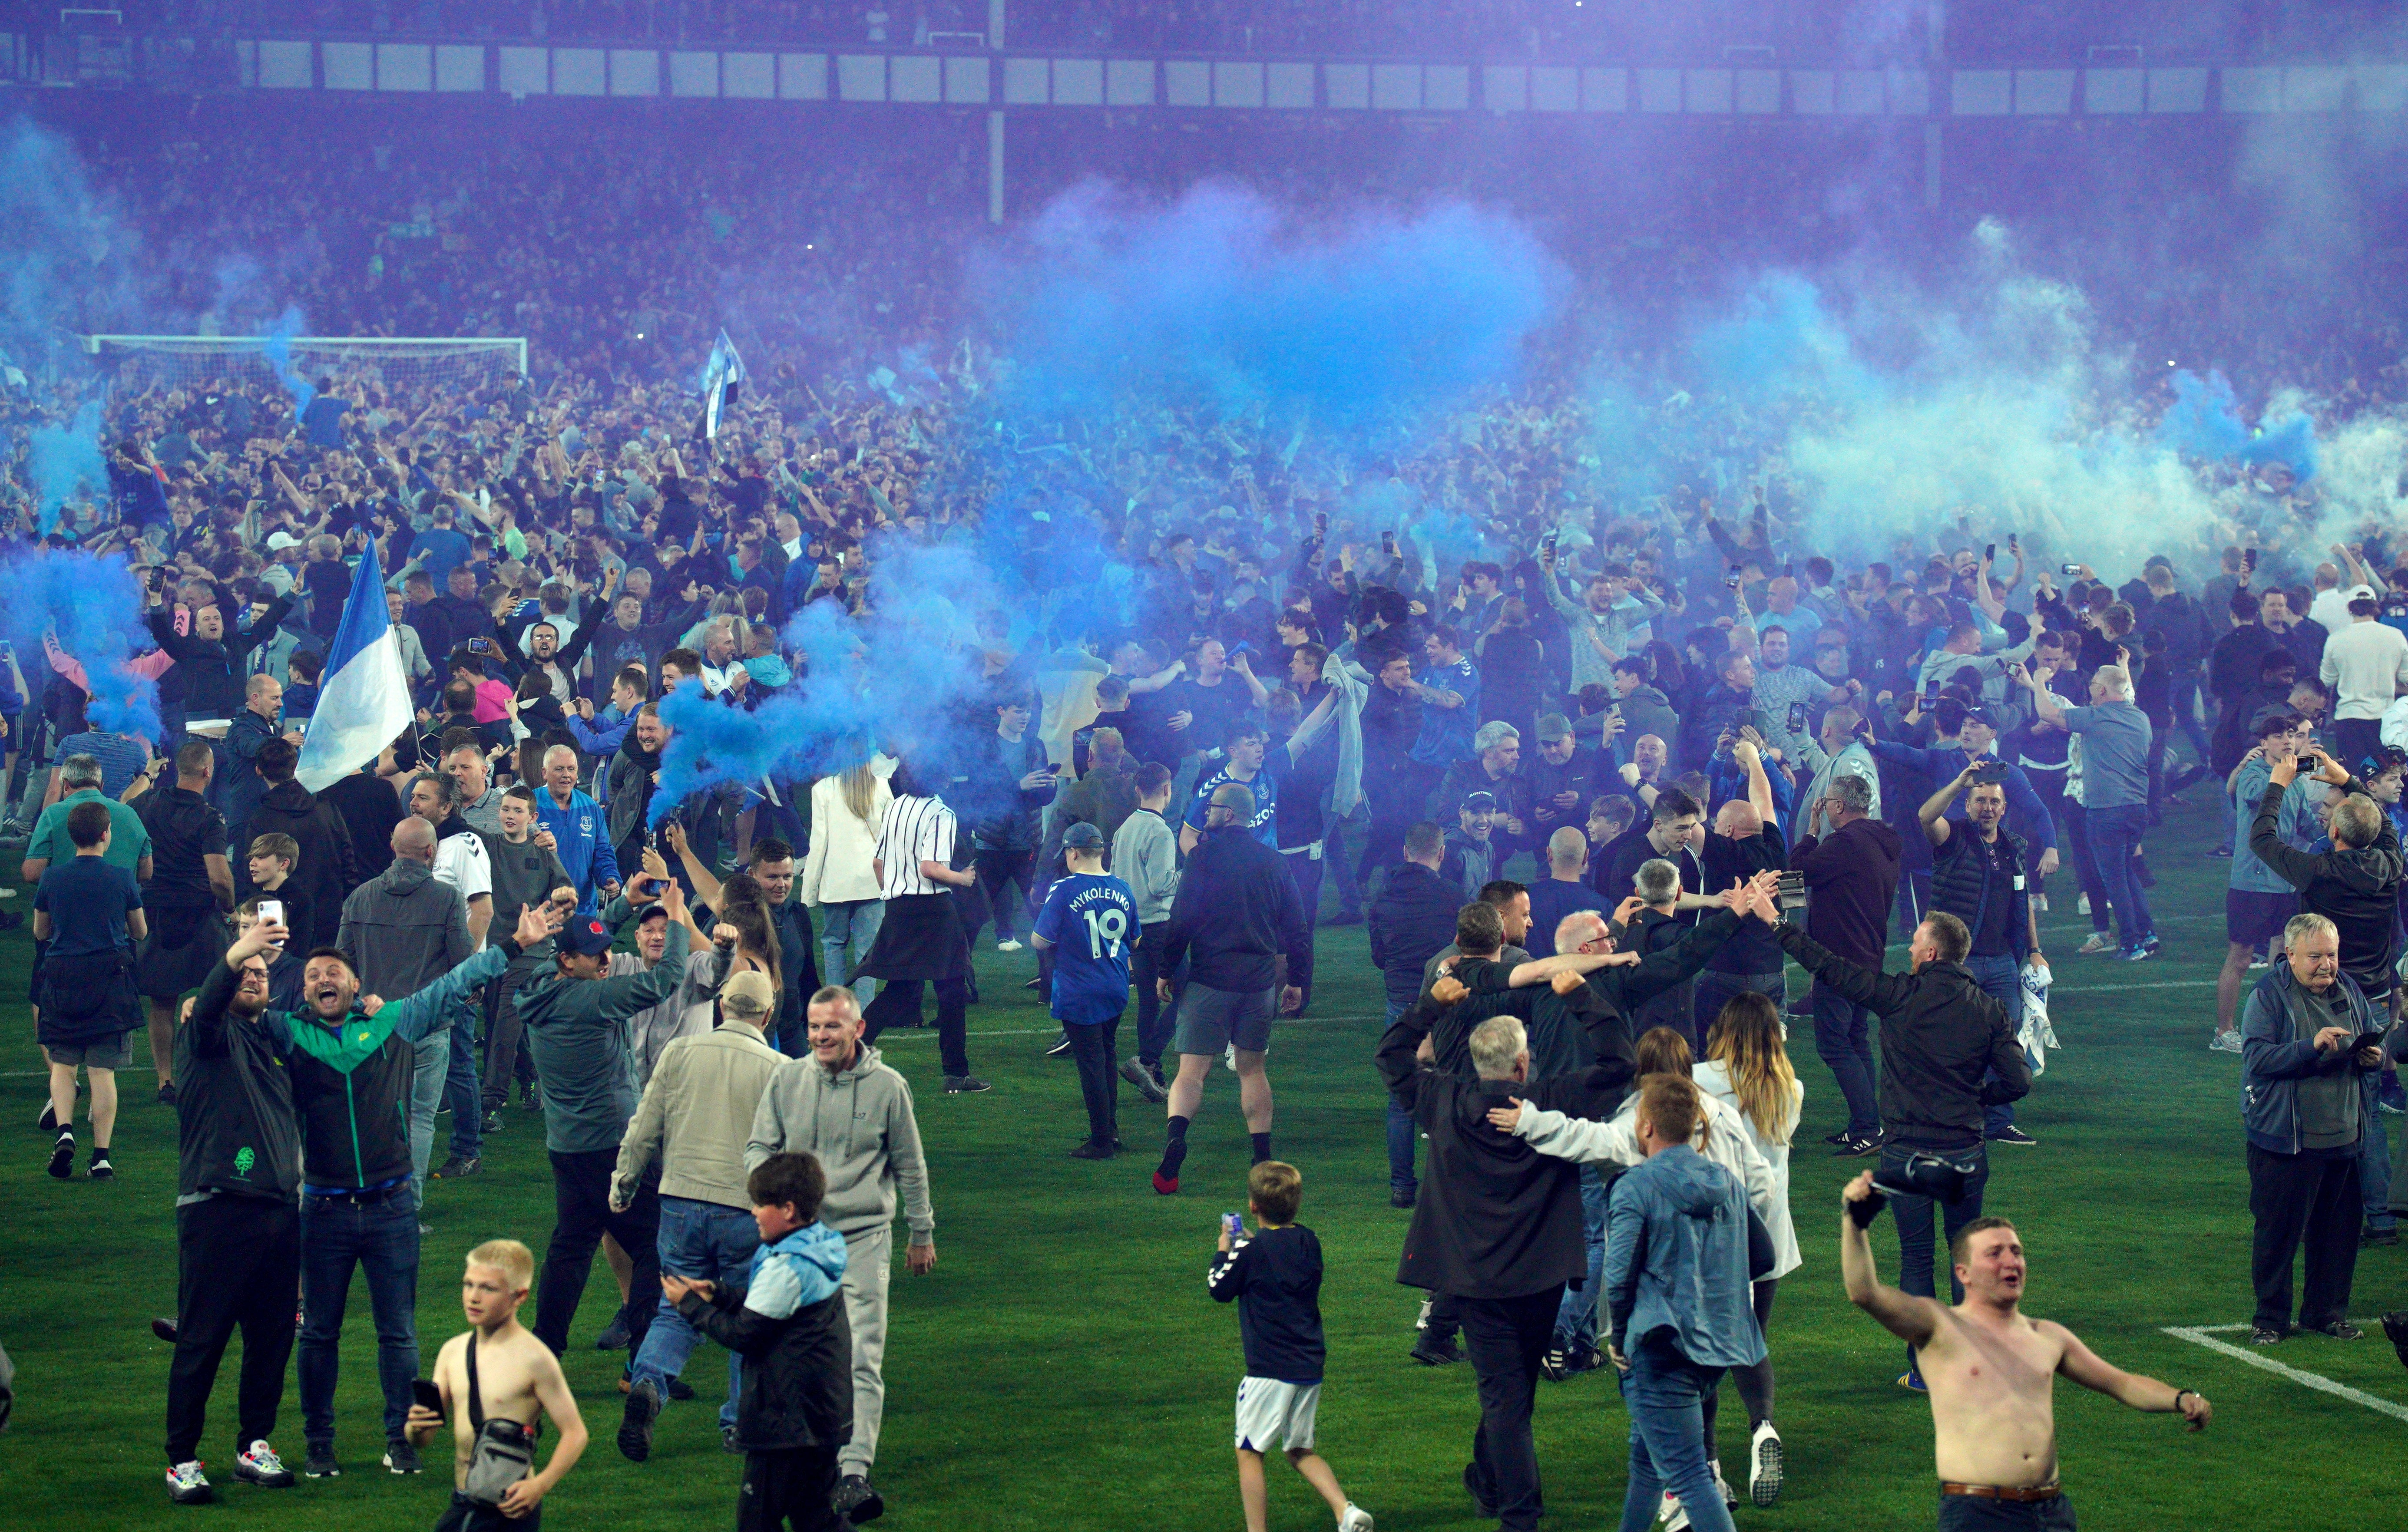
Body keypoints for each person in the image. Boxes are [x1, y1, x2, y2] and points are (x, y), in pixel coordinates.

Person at [275, 902, 553, 1479]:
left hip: (390, 1205)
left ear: (357, 984)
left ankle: (399, 1440)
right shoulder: (290, 1033)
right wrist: (206, 996)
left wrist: (516, 946)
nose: (325, 978)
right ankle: (318, 1443)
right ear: (302, 991)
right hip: (323, 1208)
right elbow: (236, 1014)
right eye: (314, 974)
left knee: (397, 1332)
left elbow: (457, 982)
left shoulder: (393, 1022)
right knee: (320, 1331)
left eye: (335, 972)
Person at [1736, 882, 2030, 1390]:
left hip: (1910, 1153)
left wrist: (1777, 923)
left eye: (1916, 941)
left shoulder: (1898, 997)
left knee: (1918, 1259)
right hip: (1965, 1151)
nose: (1911, 948)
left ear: (1932, 951)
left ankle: (1925, 1371)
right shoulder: (1988, 1008)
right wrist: (1979, 1098)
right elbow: (2019, 1081)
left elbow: (1829, 967)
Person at [1373, 1007, 1634, 1532]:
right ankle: (1509, 1504)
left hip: (1475, 1279)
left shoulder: (1443, 1100)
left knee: (1507, 1393)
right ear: (1522, 1064)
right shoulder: (1553, 1102)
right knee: (1512, 1393)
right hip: (1541, 1276)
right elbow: (1619, 1063)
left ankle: (1504, 1498)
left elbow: (1391, 1055)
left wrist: (1431, 1004)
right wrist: (1579, 996)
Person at [1839, 1176, 2211, 1527]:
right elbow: (1864, 1293)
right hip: (1979, 1513)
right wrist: (1854, 1223)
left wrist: (2180, 1398)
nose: (2010, 1262)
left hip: (2052, 1511)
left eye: (2016, 1252)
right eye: (1995, 1253)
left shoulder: (2048, 1336)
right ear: (1963, 1274)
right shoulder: (1940, 1327)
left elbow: (2121, 1383)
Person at [747, 986, 938, 1525]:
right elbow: (759, 1147)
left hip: (863, 1238)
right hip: (798, 1243)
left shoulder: (889, 1087)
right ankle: (793, 1457)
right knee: (781, 1353)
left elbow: (911, 1165)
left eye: (831, 1027)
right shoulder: (786, 1079)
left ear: (857, 1029)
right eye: (813, 1027)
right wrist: (766, 1195)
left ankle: (854, 1472)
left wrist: (921, 1232)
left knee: (860, 1356)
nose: (820, 1037)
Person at [614, 969, 787, 1462]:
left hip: (680, 1202)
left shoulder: (680, 1053)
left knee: (677, 1309)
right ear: (768, 1014)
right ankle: (738, 1423)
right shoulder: (778, 1067)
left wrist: (624, 1182)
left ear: (721, 1007)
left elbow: (645, 1124)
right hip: (744, 1210)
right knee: (746, 1316)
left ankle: (649, 1383)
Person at [517, 885, 695, 1359]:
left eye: (606, 953)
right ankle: (642, 1359)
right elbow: (668, 978)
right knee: (655, 1244)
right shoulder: (592, 1001)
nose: (605, 963)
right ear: (568, 961)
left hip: (566, 1147)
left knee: (571, 1249)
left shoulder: (539, 986)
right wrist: (675, 919)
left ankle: (546, 1350)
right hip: (613, 1147)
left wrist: (624, 906)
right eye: (594, 958)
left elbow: (587, 941)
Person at [162, 931, 301, 1506]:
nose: (253, 978)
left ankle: (254, 1445)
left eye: (262, 975)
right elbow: (215, 995)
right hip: (217, 1205)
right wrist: (239, 951)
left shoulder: (270, 1041)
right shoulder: (206, 1036)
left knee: (271, 1338)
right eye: (244, 974)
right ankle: (182, 1460)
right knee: (203, 1339)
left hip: (278, 1208)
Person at [1598, 1073, 1763, 1532]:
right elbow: (1763, 1255)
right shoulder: (1726, 1181)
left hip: (1661, 1348)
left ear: (1646, 1126)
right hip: (1717, 1346)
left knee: (1690, 1477)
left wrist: (1622, 1335)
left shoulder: (1635, 1186)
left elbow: (1619, 1272)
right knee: (1648, 1465)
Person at [663, 1153, 853, 1532]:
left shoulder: (786, 1266)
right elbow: (773, 1307)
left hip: (786, 1423)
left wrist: (688, 1307)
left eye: (760, 1204)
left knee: (757, 1522)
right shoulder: (817, 1245)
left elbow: (745, 1335)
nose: (751, 1212)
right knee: (817, 1519)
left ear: (787, 1209)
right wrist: (719, 1294)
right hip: (821, 1415)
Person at [1153, 782, 1310, 1195]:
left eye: (1211, 808)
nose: (1206, 814)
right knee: (1252, 1069)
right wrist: (1297, 981)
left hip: (1209, 980)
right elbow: (1296, 929)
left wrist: (1166, 969)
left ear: (1228, 814)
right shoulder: (1275, 863)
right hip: (1257, 984)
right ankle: (1262, 1159)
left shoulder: (1202, 859)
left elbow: (1181, 920)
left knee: (1191, 1074)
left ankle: (1175, 1144)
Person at [2240, 911, 2385, 1345]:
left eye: (2332, 956)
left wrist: (2370, 1058)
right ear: (2289, 955)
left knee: (2337, 1236)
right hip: (2286, 1142)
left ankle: (2326, 1313)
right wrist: (2311, 1046)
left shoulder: (2349, 989)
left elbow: (2366, 1039)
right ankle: (2270, 1319)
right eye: (2316, 956)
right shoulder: (2267, 996)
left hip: (2344, 1137)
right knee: (2278, 1236)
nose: (2326, 965)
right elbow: (2258, 1060)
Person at [1207, 1161, 1375, 1532]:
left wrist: (1225, 1250)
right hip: (1309, 1364)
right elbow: (1278, 1260)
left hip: (1269, 1369)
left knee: (1249, 1451)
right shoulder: (1309, 1240)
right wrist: (1248, 1248)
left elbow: (1219, 1288)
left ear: (1253, 1205)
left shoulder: (1249, 1252)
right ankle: (1345, 1511)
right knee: (1299, 1449)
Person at [1695, 994, 1802, 1509]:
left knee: (1704, 1352)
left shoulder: (1699, 1081)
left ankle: (1710, 1465)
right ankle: (1762, 1428)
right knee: (1751, 1340)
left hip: (1716, 1234)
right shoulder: (1791, 1088)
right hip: (1770, 1237)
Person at [402, 1239, 589, 1532]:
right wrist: (415, 1428)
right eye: (468, 1285)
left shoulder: (535, 1360)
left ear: (520, 1296)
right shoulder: (452, 1352)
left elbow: (575, 1433)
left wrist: (540, 1485)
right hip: (463, 1501)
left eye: (488, 1289)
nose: (473, 1297)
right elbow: (422, 1440)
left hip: (511, 1507)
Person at [337, 816, 476, 1203]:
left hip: (372, 1027)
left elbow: (341, 965)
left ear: (393, 847)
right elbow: (462, 964)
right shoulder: (447, 898)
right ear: (431, 852)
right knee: (419, 1119)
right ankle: (405, 1208)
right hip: (427, 1027)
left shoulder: (360, 897)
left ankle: (365, 1197)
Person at [1918, 762, 2043, 1148]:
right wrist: (1959, 782)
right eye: (1980, 801)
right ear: (1969, 806)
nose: (1987, 808)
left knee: (2004, 1043)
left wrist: (2035, 951)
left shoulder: (2013, 847)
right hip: (1959, 963)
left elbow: (2023, 904)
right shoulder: (1954, 837)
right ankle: (1948, 1117)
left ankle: (2000, 1122)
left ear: (2004, 808)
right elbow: (1926, 816)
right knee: (1952, 1042)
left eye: (1994, 801)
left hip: (2003, 962)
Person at [33, 799, 149, 1182]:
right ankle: (101, 1157)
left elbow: (40, 931)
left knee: (64, 1065)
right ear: (106, 835)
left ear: (71, 835)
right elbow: (140, 931)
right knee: (103, 1073)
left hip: (63, 978)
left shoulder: (52, 879)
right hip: (109, 981)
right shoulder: (121, 877)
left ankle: (65, 1130)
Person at [854, 761, 987, 1094]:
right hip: (934, 912)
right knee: (951, 993)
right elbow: (930, 868)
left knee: (898, 991)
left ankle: (850, 1054)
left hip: (899, 908)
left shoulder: (896, 806)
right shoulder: (942, 813)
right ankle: (956, 1074)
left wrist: (890, 894)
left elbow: (877, 861)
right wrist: (963, 878)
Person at [1792, 773, 1903, 1156]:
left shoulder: (1845, 843)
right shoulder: (1883, 840)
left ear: (1838, 806)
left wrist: (1809, 833)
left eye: (1826, 803)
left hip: (1839, 960)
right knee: (1856, 1039)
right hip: (1870, 954)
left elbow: (1797, 874)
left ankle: (1869, 1128)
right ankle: (1865, 1123)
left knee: (1835, 1043)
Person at [2017, 661, 2156, 960]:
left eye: (2094, 683)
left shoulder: (2096, 718)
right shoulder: (2140, 718)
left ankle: (2131, 944)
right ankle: (2148, 932)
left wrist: (2039, 682)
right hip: (2137, 808)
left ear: (2102, 690)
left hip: (2107, 809)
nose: (2090, 687)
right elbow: (2123, 691)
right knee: (2126, 872)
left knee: (2113, 879)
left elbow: (2048, 713)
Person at [1369, 821, 1465, 1208]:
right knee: (1453, 1086)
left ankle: (1402, 1187)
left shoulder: (1383, 898)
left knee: (1400, 1097)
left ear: (1406, 853)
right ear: (1441, 854)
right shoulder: (1455, 897)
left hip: (1401, 1002)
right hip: (1444, 999)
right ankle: (1450, 1184)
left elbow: (1379, 957)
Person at [1031, 821, 1141, 1159]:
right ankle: (1111, 1130)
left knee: (1091, 1063)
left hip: (1080, 990)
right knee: (1107, 1055)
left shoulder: (1064, 889)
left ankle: (1101, 1142)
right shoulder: (1123, 888)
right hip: (1115, 985)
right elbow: (1135, 940)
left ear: (1073, 852)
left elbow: (1040, 939)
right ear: (1102, 851)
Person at [2215, 707, 2315, 1052]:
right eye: (2279, 737)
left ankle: (2280, 1024)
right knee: (2241, 957)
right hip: (2252, 883)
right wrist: (2283, 773)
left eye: (2290, 736)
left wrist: (2334, 839)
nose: (2287, 741)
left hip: (2286, 882)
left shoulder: (2296, 781)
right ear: (2264, 743)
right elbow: (2257, 798)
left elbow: (2306, 824)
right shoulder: (2254, 775)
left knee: (2285, 958)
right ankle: (2224, 1031)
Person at [1112, 761, 1181, 1104]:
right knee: (1188, 992)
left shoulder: (1125, 829)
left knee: (1149, 1002)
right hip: (1160, 926)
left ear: (1138, 789)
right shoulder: (1161, 832)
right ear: (1167, 789)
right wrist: (1190, 877)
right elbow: (1161, 885)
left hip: (1133, 927)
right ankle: (1149, 1059)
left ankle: (1151, 1074)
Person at [800, 761, 890, 1012]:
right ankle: (865, 1012)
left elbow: (819, 842)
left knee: (834, 944)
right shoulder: (881, 786)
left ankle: (835, 1008)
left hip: (836, 884)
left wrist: (809, 892)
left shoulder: (823, 789)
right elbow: (890, 838)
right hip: (872, 882)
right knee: (867, 950)